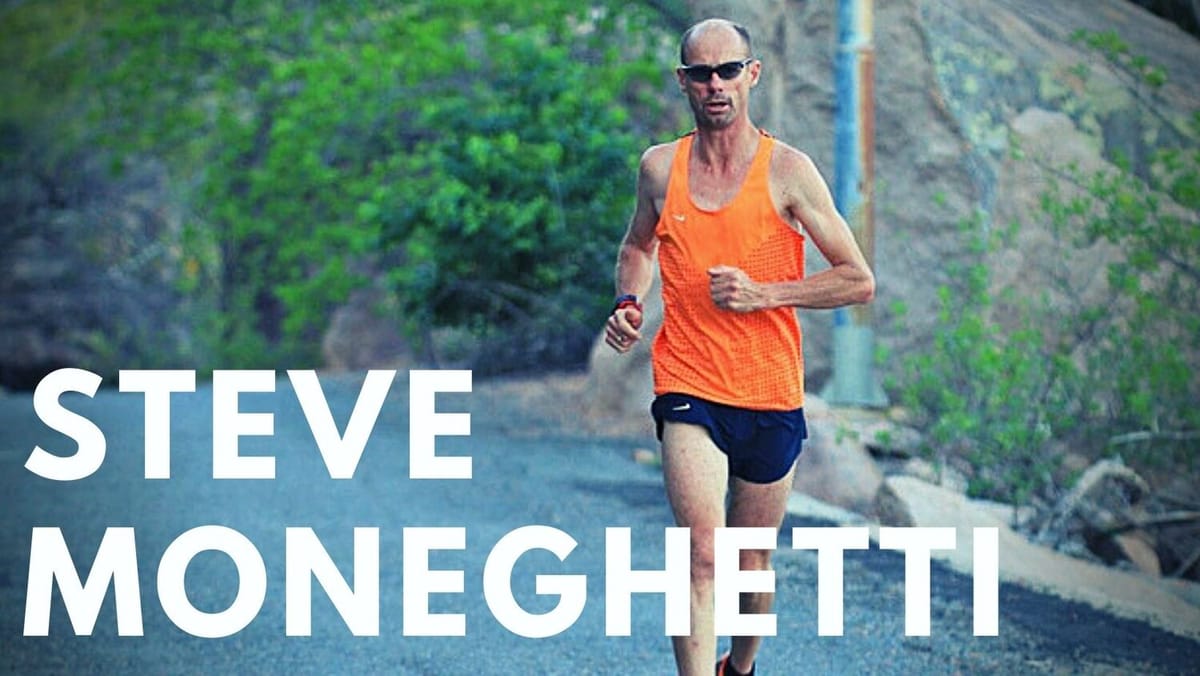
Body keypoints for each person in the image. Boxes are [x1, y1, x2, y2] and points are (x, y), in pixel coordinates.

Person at [604, 17, 875, 676]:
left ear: (751, 75)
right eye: (702, 74)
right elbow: (638, 245)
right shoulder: (660, 168)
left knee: (752, 560)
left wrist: (765, 294)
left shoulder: (789, 171)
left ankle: (741, 667)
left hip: (769, 392)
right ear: (684, 82)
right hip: (689, 384)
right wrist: (629, 301)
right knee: (700, 552)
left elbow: (857, 280)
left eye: (728, 71)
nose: (716, 85)